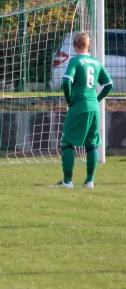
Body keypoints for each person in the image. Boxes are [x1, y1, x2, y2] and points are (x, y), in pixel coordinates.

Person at [50, 32, 113, 189]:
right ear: (89, 45)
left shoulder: (75, 61)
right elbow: (109, 84)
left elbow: (66, 81)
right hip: (94, 108)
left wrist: (69, 99)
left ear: (74, 46)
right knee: (91, 144)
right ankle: (89, 181)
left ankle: (67, 181)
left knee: (67, 143)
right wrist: (97, 99)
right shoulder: (96, 62)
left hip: (78, 106)